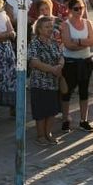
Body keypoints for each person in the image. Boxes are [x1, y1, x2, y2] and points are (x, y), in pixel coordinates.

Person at [57, 0, 93, 133]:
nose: (80, 11)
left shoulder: (87, 23)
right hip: (70, 62)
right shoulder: (66, 24)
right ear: (70, 10)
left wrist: (77, 41)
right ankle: (65, 119)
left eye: (82, 8)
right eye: (76, 8)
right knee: (67, 92)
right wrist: (84, 42)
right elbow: (68, 45)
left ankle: (84, 120)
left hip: (85, 61)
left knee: (84, 92)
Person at [28, 16, 65, 146]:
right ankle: (40, 135)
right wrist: (52, 69)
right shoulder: (34, 43)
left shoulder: (53, 42)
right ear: (39, 29)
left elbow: (61, 56)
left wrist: (60, 66)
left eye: (51, 26)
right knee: (41, 111)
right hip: (39, 83)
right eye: (47, 27)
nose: (50, 29)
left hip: (53, 83)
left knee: (52, 110)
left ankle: (48, 133)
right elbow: (34, 62)